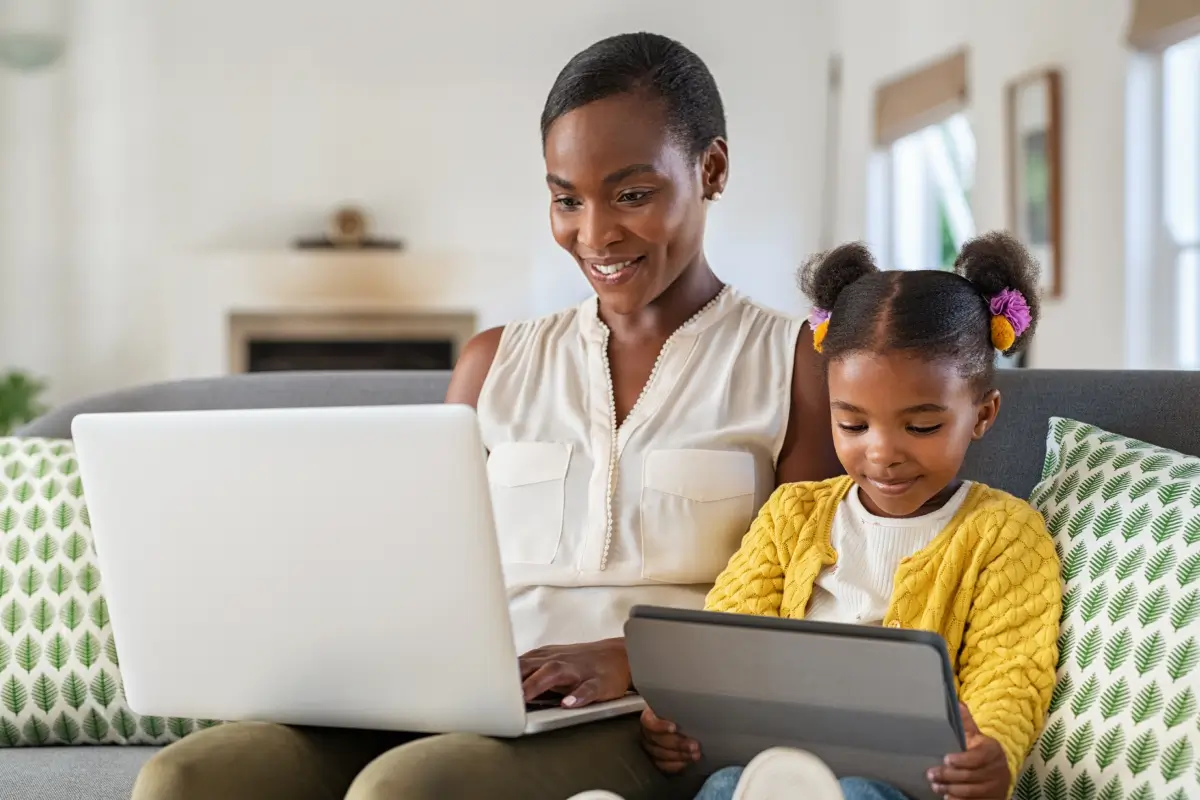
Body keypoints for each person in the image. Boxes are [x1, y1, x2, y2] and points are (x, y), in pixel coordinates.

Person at [130, 32, 841, 800]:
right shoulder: (493, 363)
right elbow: (411, 575)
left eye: (632, 194)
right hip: (466, 695)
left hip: (648, 715)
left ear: (712, 170)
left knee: (410, 789)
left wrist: (632, 656)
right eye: (566, 198)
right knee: (185, 778)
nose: (594, 234)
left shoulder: (795, 362)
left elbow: (805, 608)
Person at [582, 232, 1062, 800]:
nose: (881, 453)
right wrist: (677, 717)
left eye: (922, 426)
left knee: (857, 793)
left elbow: (1010, 673)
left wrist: (993, 753)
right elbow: (724, 643)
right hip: (775, 768)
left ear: (982, 415)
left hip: (908, 785)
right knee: (729, 784)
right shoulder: (794, 514)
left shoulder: (1004, 534)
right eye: (853, 425)